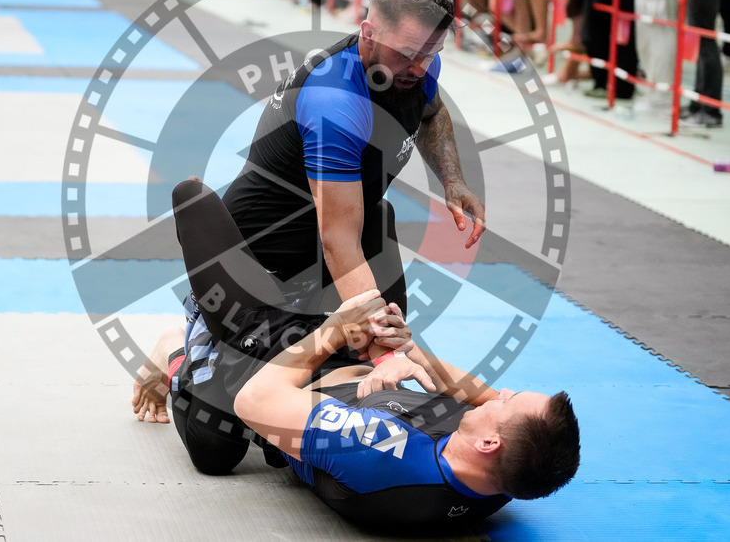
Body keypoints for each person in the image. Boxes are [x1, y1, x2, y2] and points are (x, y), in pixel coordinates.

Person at [132, 179, 581, 531]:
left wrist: (333, 331)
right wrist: (408, 353)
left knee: (192, 199)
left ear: (489, 443)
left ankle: (177, 345)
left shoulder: (380, 449)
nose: (500, 393)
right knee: (374, 213)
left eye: (508, 401)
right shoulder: (505, 472)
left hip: (275, 361)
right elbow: (482, 396)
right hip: (361, 350)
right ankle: (321, 288)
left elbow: (257, 399)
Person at [221, 0, 486, 325]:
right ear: (369, 33)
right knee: (375, 347)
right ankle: (187, 344)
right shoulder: (335, 102)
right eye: (407, 52)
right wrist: (381, 341)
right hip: (259, 264)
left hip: (334, 242)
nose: (421, 68)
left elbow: (432, 112)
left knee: (391, 336)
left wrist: (452, 179)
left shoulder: (419, 64)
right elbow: (339, 241)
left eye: (432, 52)